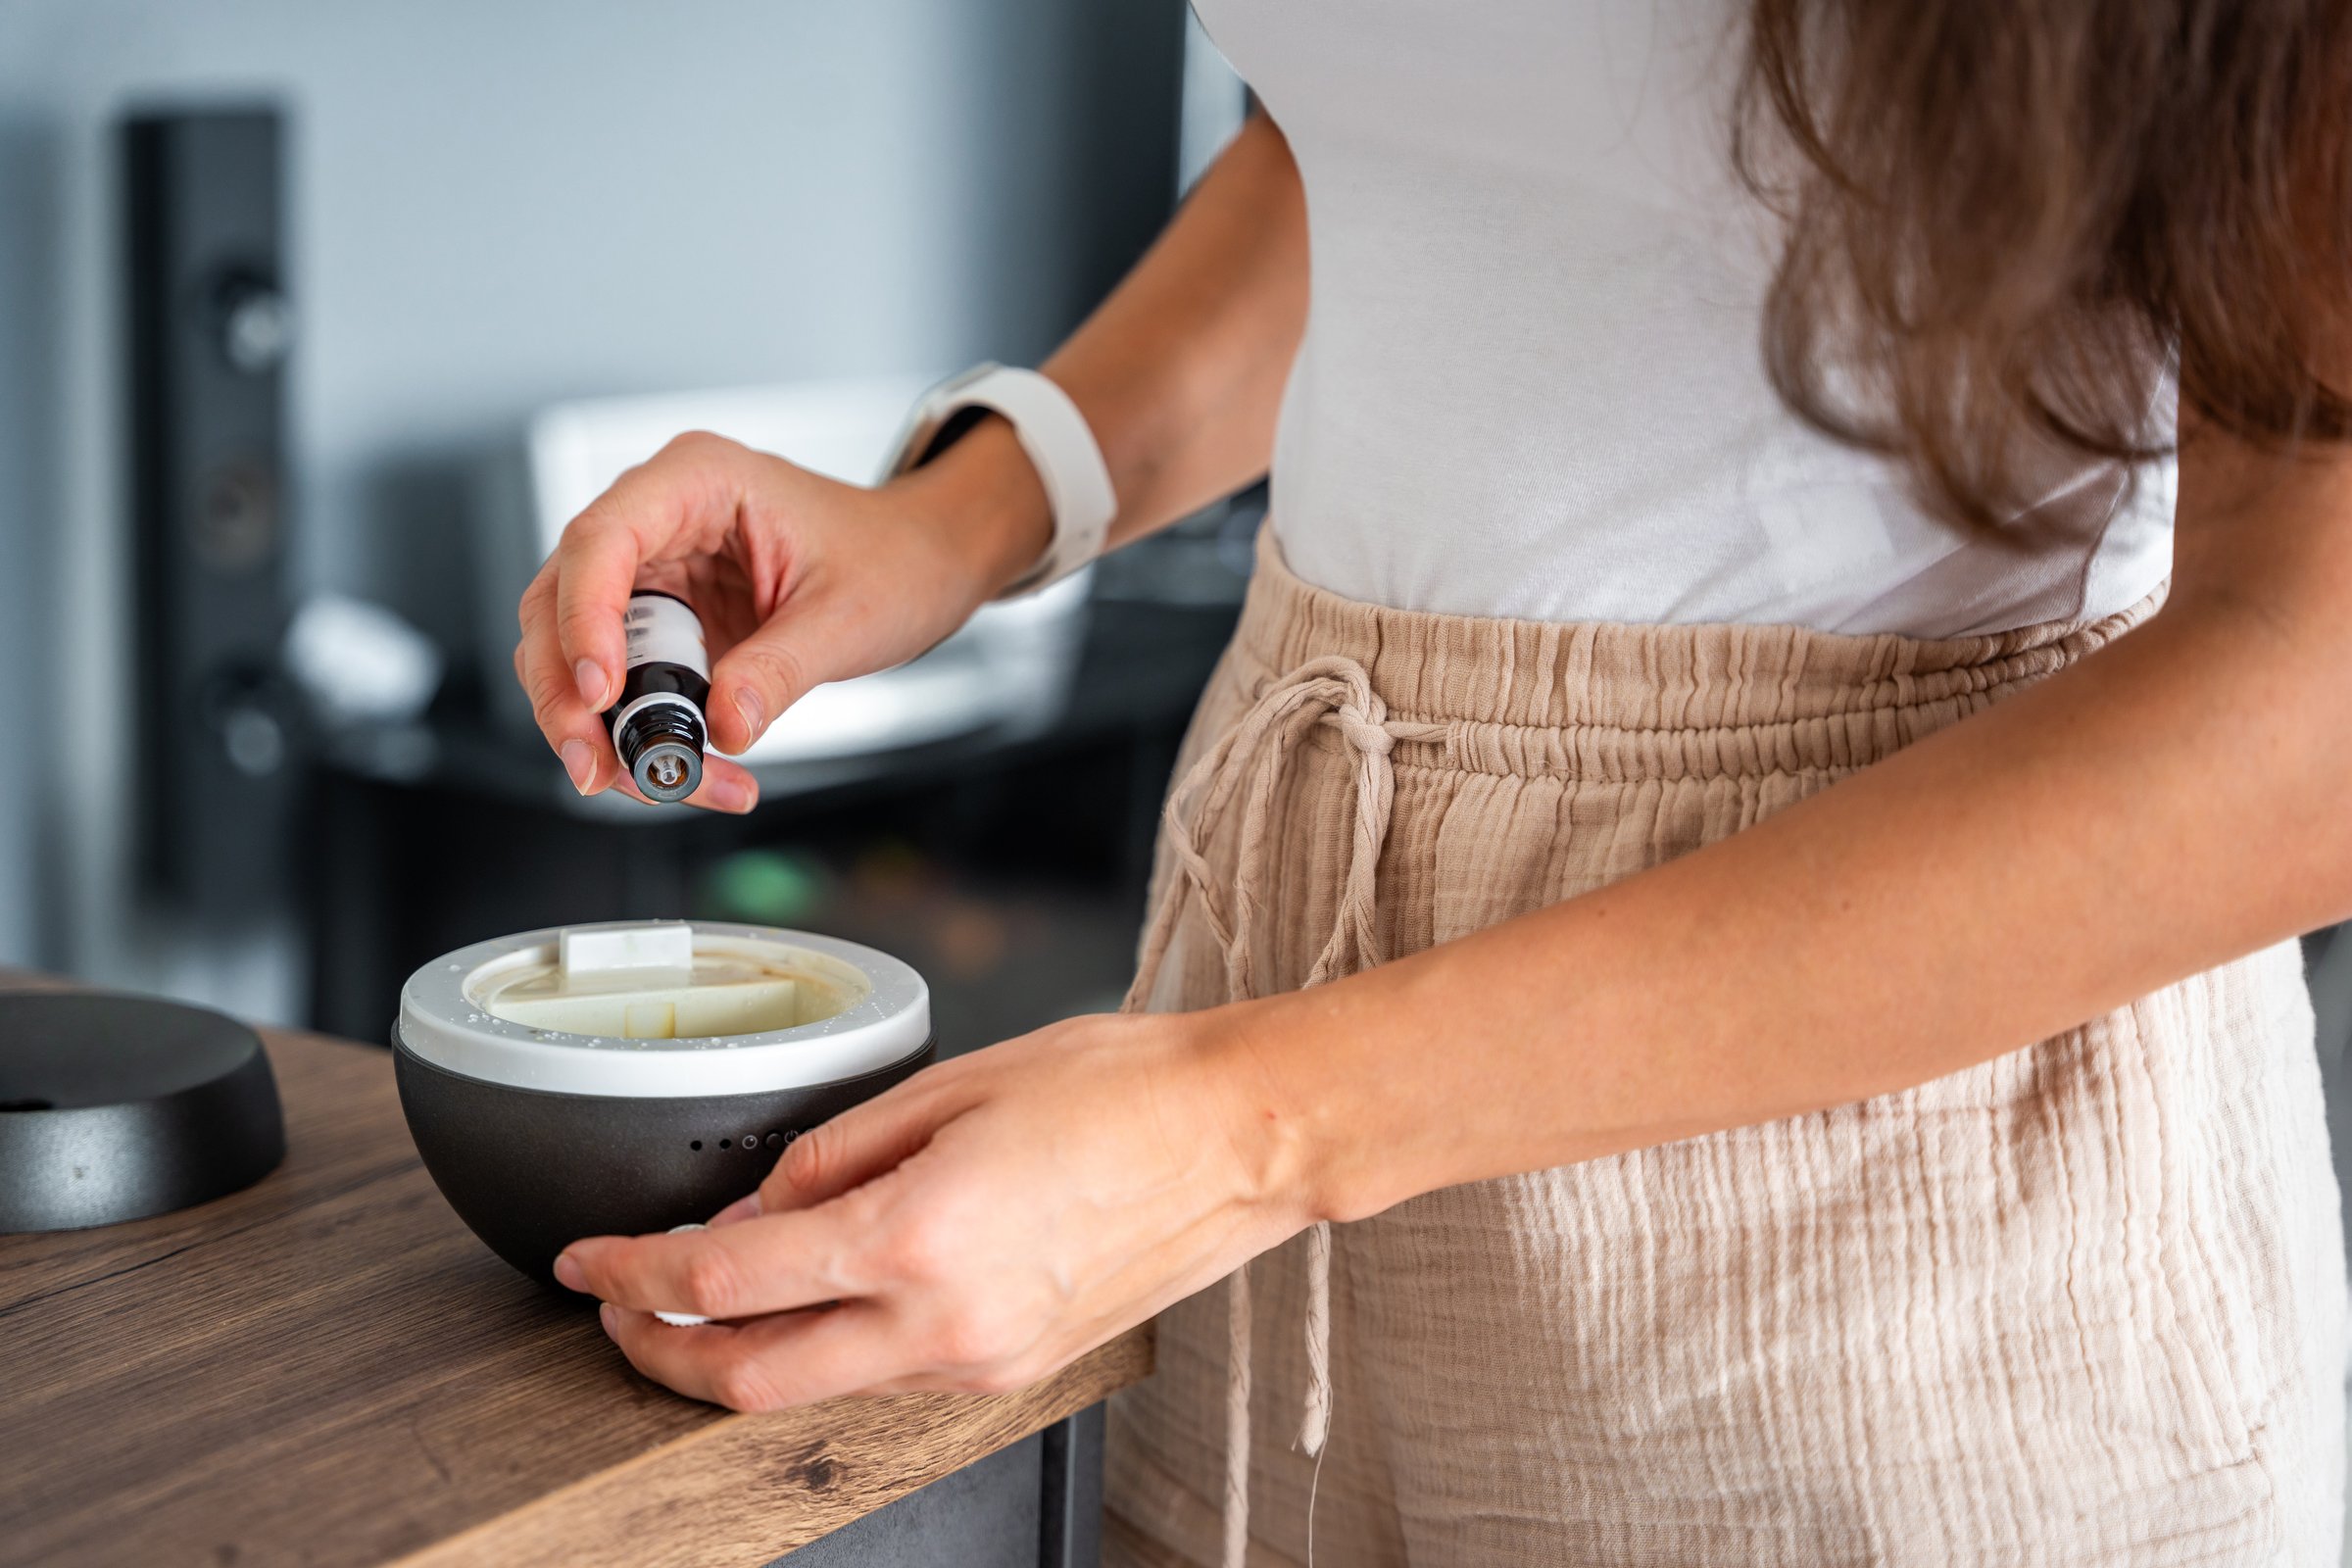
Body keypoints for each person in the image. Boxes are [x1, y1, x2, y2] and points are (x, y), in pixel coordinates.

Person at [517, 3, 2352, 1561]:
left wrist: (1248, 1132)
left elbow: (2312, 713)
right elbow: (1412, 110)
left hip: (1881, 1155)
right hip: (1281, 978)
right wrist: (972, 510)